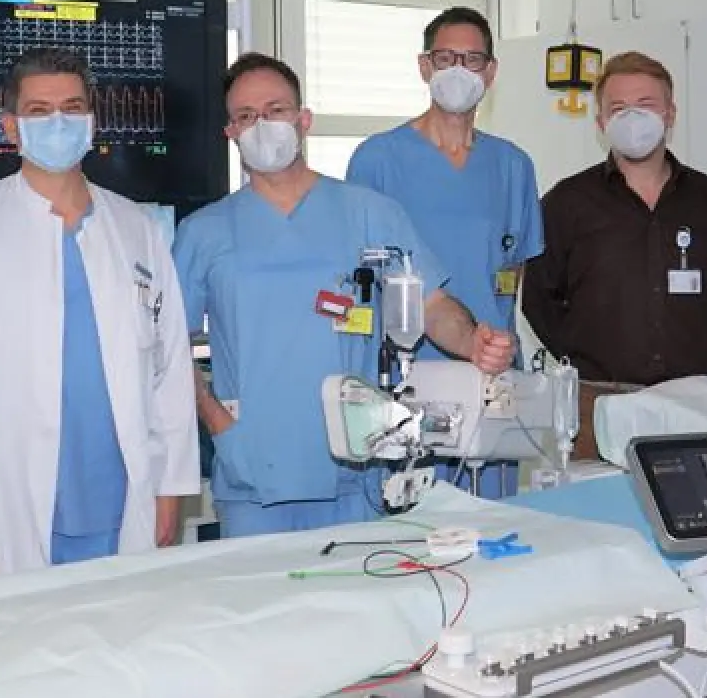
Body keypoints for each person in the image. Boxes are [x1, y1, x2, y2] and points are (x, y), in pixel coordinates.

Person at [174, 53, 516, 538]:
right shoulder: (203, 232)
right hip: (253, 471)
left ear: (303, 119)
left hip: (357, 468)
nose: (262, 125)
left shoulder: (369, 213)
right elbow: (166, 348)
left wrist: (471, 342)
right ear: (230, 133)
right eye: (246, 116)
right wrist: (217, 423)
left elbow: (430, 305)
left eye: (275, 110)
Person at [0, 46, 198, 579]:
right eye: (39, 111)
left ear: (91, 121)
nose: (58, 121)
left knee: (121, 641)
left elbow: (170, 367)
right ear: (11, 127)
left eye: (72, 106)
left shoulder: (135, 228)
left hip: (121, 493)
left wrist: (172, 484)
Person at [346, 7, 543, 499]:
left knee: (492, 534)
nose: (459, 69)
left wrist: (497, 346)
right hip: (407, 382)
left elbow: (510, 274)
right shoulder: (378, 160)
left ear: (491, 72)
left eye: (472, 59)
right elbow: (360, 278)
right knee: (408, 538)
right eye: (446, 57)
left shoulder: (512, 166)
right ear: (424, 66)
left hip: (490, 380)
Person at [522, 51, 707, 459]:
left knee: (700, 512)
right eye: (618, 108)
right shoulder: (566, 203)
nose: (632, 118)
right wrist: (585, 359)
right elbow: (539, 299)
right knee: (596, 516)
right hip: (597, 402)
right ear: (601, 121)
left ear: (670, 113)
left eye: (646, 105)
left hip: (697, 401)